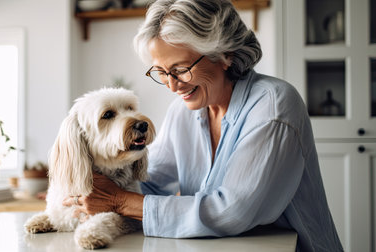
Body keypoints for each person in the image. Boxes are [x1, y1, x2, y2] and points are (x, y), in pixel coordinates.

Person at [63, 0, 343, 251]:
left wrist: (118, 201)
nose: (172, 85)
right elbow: (151, 182)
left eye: (181, 69)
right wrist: (96, 180)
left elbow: (232, 212)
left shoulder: (273, 106)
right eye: (161, 72)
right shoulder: (183, 111)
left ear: (225, 54)